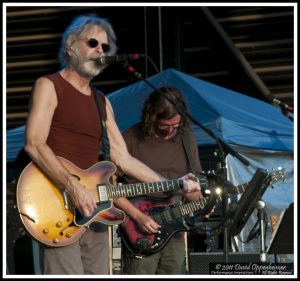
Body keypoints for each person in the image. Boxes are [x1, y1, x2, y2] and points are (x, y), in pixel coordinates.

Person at [23, 14, 200, 275]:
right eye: (93, 43)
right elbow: (35, 144)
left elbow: (123, 159)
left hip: (96, 209)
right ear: (71, 47)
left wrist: (174, 183)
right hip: (56, 203)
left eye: (105, 47)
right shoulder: (49, 86)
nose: (100, 51)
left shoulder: (101, 101)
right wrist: (72, 187)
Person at [114, 87, 203, 275]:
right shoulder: (130, 137)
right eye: (164, 126)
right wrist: (137, 216)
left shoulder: (186, 138)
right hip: (138, 229)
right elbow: (108, 189)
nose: (170, 131)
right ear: (151, 117)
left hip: (175, 230)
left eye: (175, 125)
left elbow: (195, 191)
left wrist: (202, 200)